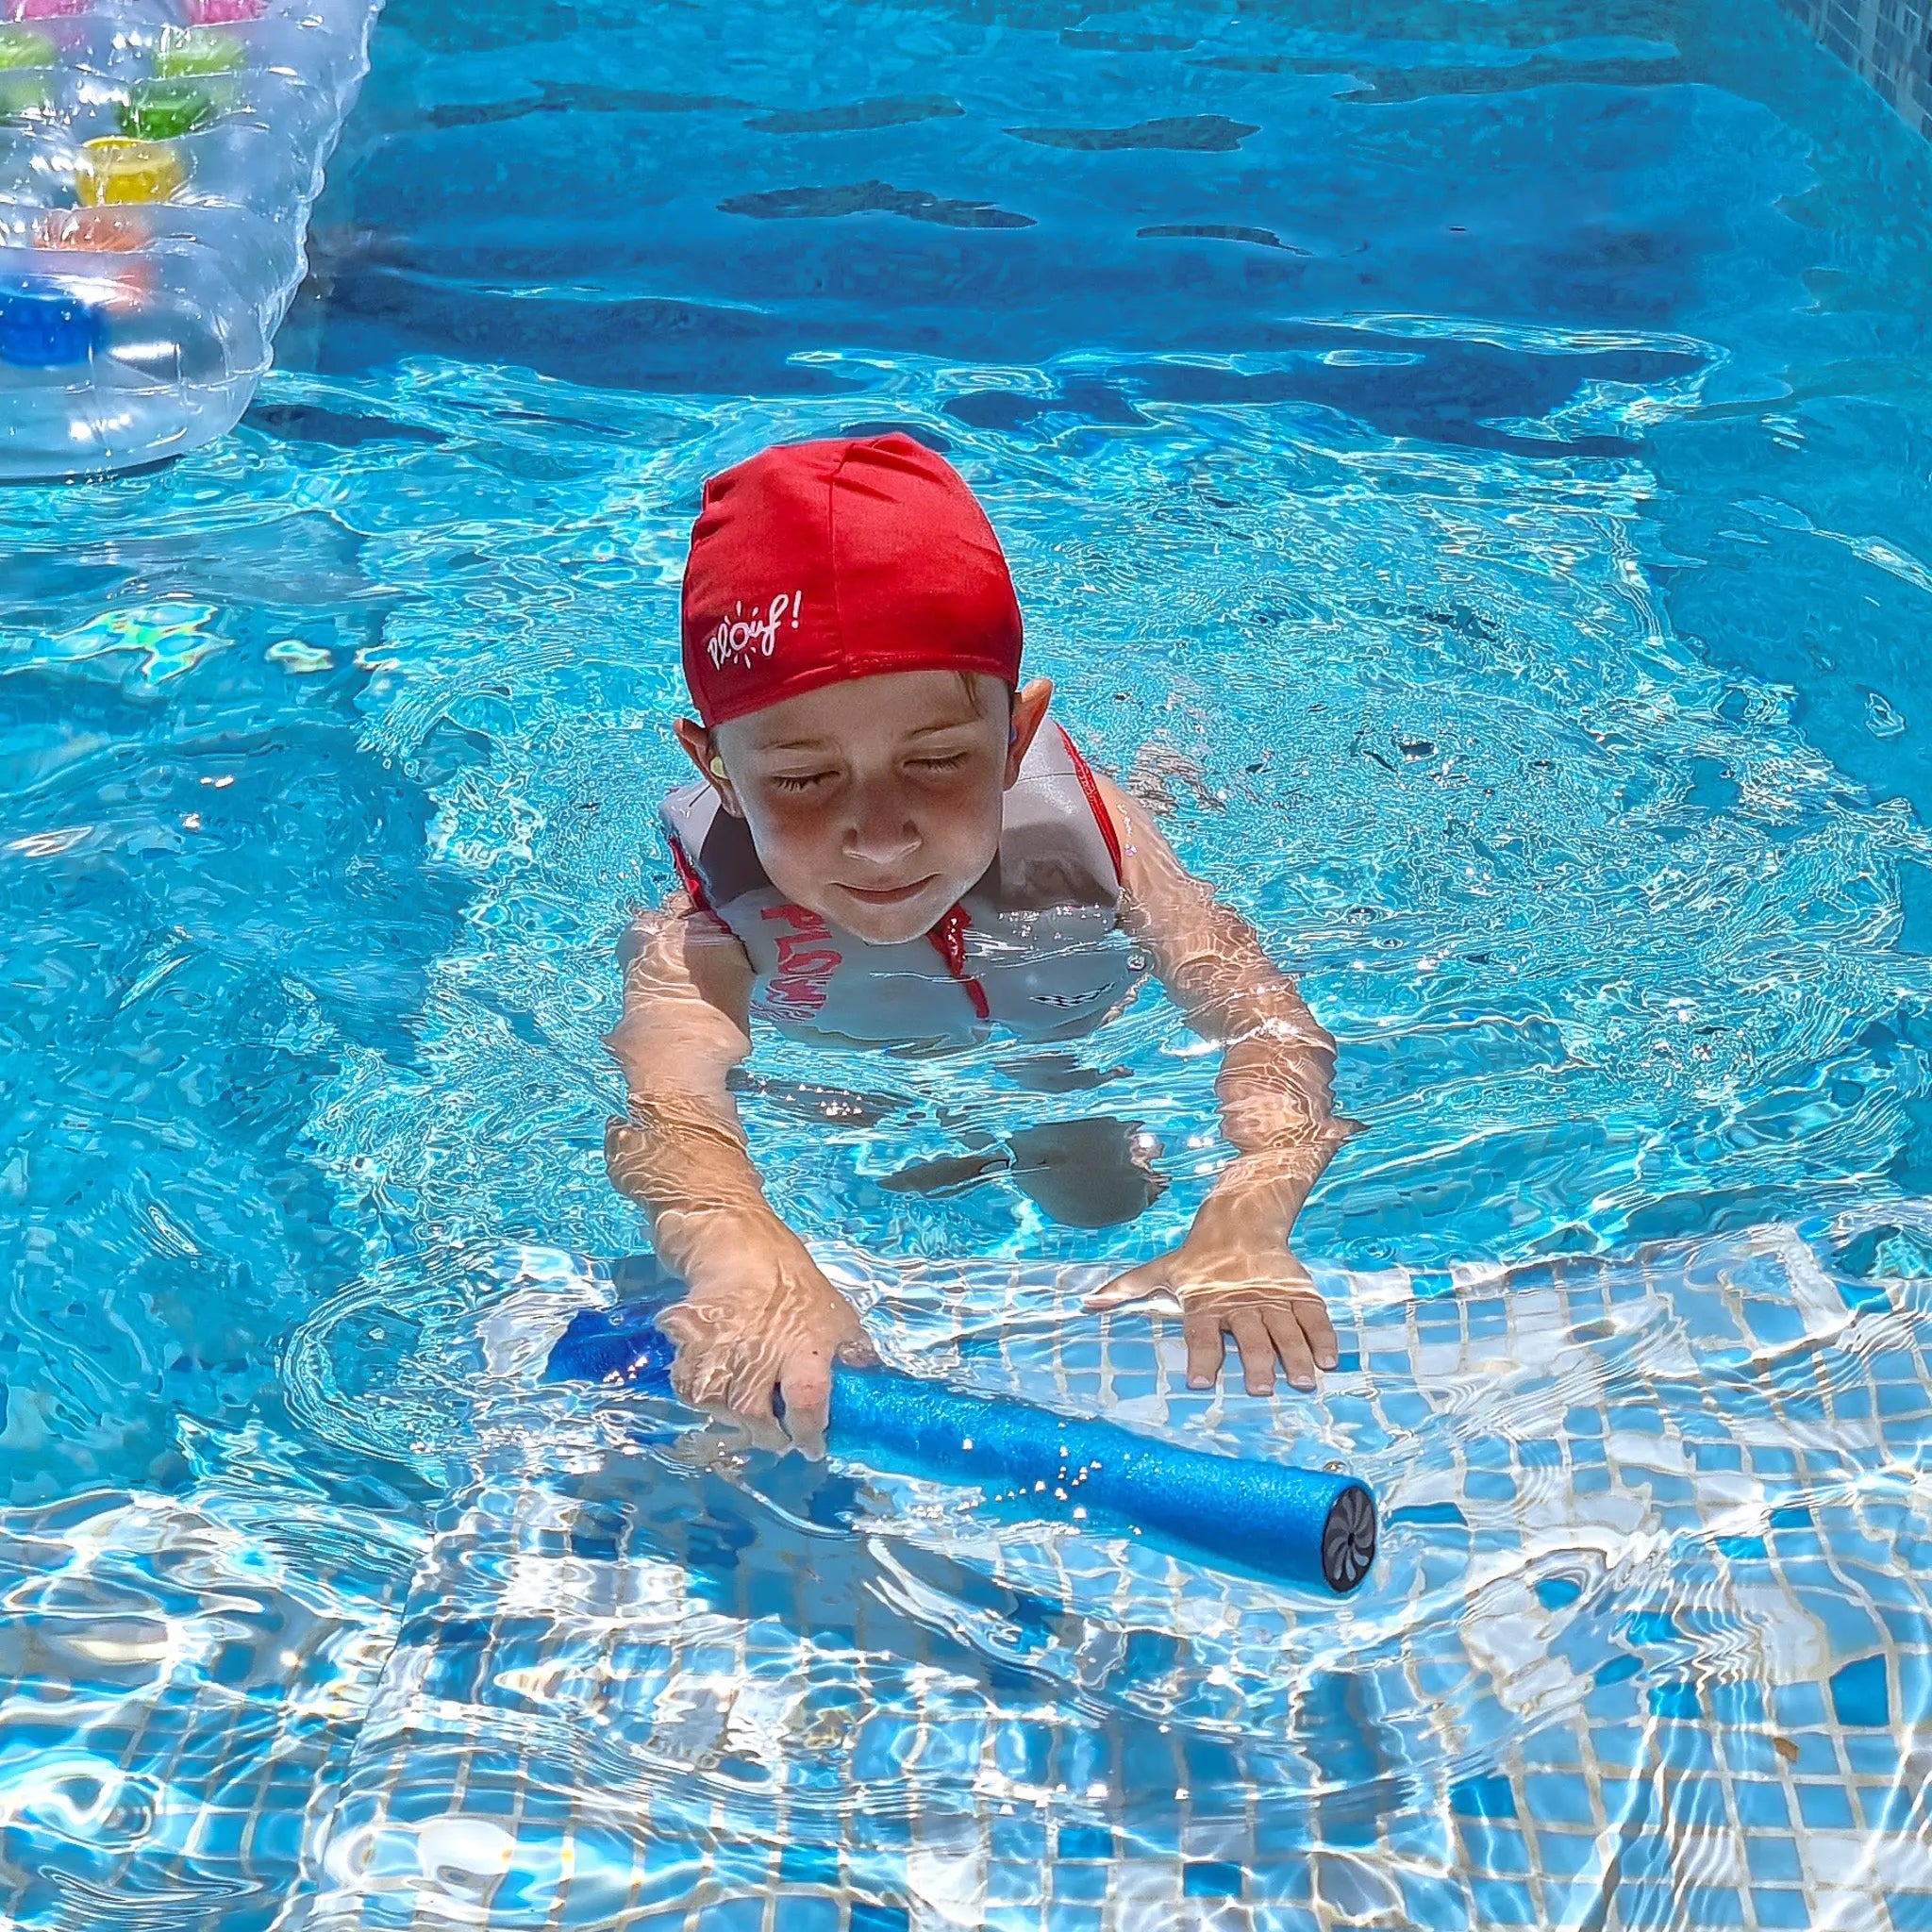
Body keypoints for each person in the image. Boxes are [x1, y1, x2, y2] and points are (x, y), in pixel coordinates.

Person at [605, 432, 1356, 1457]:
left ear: (1014, 737)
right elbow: (668, 1112)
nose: (879, 832)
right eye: (802, 778)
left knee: (1095, 1202)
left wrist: (1252, 1201)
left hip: (1058, 1034)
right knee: (889, 1183)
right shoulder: (702, 928)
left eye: (936, 760)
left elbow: (1266, 1021)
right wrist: (742, 1249)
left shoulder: (1107, 847)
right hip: (853, 1064)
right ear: (718, 768)